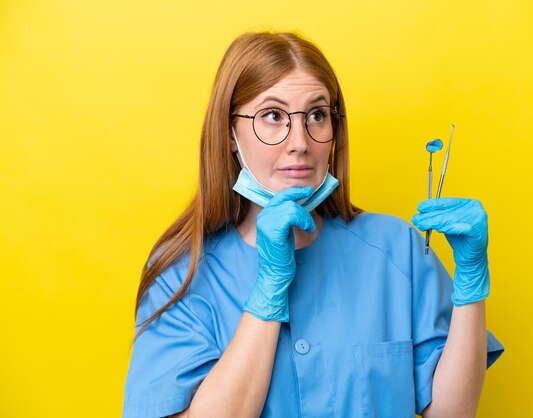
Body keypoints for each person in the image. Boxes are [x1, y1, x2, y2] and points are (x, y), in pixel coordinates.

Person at [122, 31, 504, 418]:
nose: (300, 142)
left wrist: (471, 285)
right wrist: (268, 292)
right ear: (229, 135)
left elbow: (451, 413)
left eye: (317, 115)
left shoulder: (396, 249)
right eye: (273, 116)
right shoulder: (182, 274)